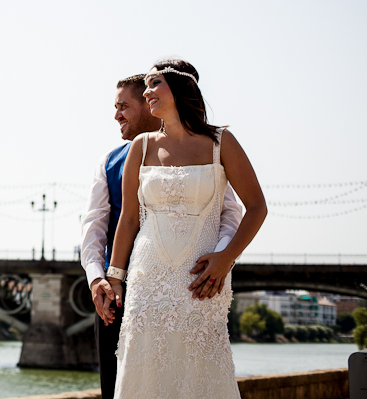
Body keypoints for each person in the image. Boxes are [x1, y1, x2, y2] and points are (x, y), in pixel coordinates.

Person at [107, 59, 268, 399]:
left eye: (154, 84)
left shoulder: (221, 142)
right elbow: (130, 219)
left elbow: (256, 207)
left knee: (201, 369)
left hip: (201, 279)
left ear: (179, 90)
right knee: (145, 368)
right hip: (147, 279)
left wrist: (226, 259)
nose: (147, 92)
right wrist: (115, 276)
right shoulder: (142, 146)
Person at [80, 74, 243, 399]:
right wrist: (97, 277)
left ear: (148, 106)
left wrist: (222, 259)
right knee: (122, 386)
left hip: (188, 284)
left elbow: (230, 214)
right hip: (120, 294)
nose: (117, 115)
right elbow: (95, 226)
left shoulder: (203, 151)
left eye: (124, 106)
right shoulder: (110, 161)